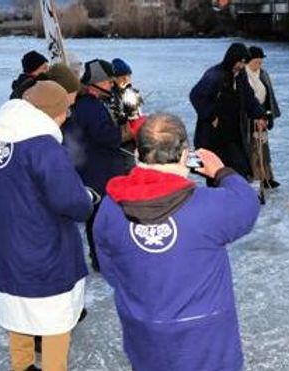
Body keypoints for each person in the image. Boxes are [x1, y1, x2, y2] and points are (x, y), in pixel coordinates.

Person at [93, 113, 260, 371]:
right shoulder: (208, 206)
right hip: (205, 334)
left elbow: (108, 265)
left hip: (145, 328)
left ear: (138, 153)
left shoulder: (110, 206)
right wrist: (221, 172)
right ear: (184, 154)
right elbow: (247, 205)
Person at [0, 81, 94, 371]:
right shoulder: (43, 146)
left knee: (18, 311)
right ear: (54, 113)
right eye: (65, 111)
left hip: (3, 243)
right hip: (42, 246)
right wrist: (87, 196)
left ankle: (22, 365)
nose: (67, 117)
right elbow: (71, 202)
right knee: (54, 319)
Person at [63, 59, 133, 271]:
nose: (112, 85)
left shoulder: (85, 104)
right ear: (97, 83)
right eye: (108, 82)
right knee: (101, 217)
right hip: (98, 171)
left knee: (97, 218)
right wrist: (128, 131)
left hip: (91, 168)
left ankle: (100, 258)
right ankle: (102, 260)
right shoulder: (91, 107)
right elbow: (107, 137)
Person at [190, 43, 268, 183]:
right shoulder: (215, 75)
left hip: (233, 133)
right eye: (240, 62)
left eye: (244, 62)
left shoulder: (240, 76)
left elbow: (249, 97)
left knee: (240, 169)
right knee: (216, 172)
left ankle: (235, 198)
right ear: (232, 59)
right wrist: (211, 116)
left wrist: (260, 115)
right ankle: (218, 200)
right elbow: (196, 95)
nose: (242, 65)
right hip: (214, 135)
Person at [245, 45, 281, 189]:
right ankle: (256, 177)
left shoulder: (263, 74)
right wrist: (254, 116)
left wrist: (269, 115)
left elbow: (269, 96)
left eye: (260, 62)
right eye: (256, 62)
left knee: (264, 147)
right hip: (250, 118)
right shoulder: (243, 76)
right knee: (253, 148)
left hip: (262, 115)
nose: (258, 65)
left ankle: (267, 176)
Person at [110, 58, 146, 171]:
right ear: (114, 78)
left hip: (132, 137)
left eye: (128, 76)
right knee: (127, 166)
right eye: (122, 76)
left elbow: (139, 113)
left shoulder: (132, 92)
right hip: (121, 138)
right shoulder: (110, 96)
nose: (125, 79)